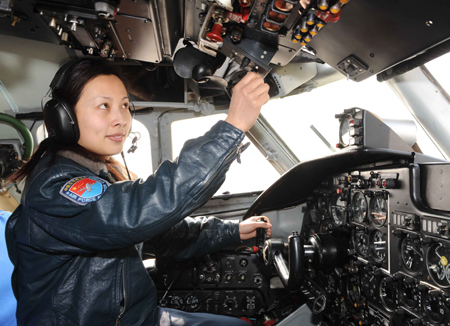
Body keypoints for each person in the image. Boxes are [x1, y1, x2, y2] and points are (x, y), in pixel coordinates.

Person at [5, 59, 272, 326]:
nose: (121, 119)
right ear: (65, 118)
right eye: (103, 106)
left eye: (124, 105)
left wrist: (231, 231)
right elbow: (132, 214)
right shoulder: (53, 187)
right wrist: (232, 127)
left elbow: (162, 234)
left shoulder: (98, 173)